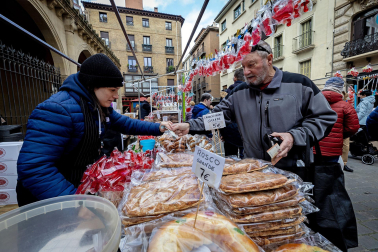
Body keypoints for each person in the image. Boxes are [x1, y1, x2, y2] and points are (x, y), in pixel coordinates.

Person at [16, 54, 173, 206]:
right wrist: (77, 203)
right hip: (51, 202)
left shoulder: (96, 106)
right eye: (112, 90)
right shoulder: (57, 110)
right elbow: (34, 168)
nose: (116, 96)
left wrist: (159, 127)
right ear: (93, 85)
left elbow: (126, 123)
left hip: (78, 190)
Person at [173, 41, 337, 169]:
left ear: (270, 59)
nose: (245, 72)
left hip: (294, 171)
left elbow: (324, 117)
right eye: (243, 67)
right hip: (253, 170)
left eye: (251, 65)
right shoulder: (238, 93)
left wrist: (294, 136)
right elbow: (216, 117)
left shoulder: (300, 84)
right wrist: (189, 126)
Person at [317, 77, 359, 172]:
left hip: (314, 147)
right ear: (340, 89)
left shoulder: (312, 102)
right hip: (333, 149)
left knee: (313, 174)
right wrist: (340, 134)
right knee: (330, 174)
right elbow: (353, 127)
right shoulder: (346, 106)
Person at [221, 68, 245, 158]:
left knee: (230, 161)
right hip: (246, 133)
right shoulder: (252, 91)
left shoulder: (226, 94)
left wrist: (222, 133)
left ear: (235, 78)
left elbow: (221, 114)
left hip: (229, 132)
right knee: (247, 162)